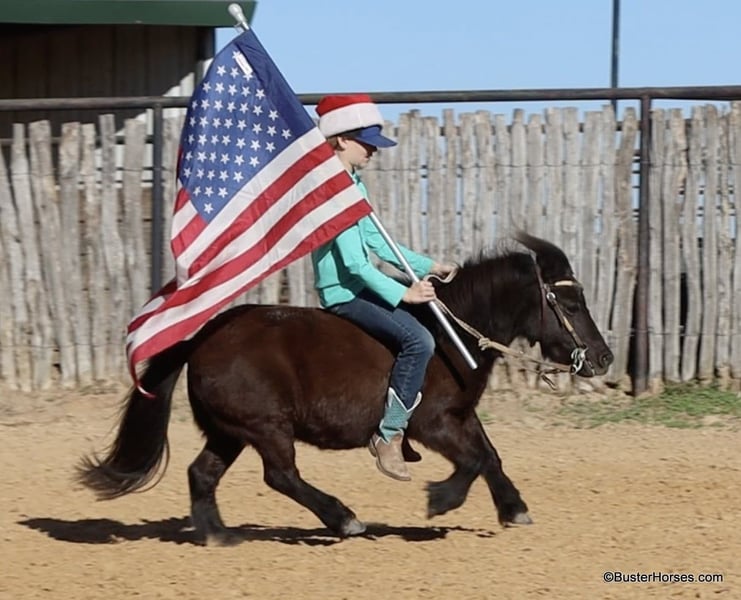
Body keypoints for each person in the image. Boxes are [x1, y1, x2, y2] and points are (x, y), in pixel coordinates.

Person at [311, 94, 456, 481]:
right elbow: (355, 265)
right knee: (419, 342)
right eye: (367, 142)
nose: (373, 150)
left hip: (360, 285)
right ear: (342, 139)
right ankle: (388, 435)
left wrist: (428, 266)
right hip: (344, 293)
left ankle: (404, 415)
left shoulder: (352, 183)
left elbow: (378, 240)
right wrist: (403, 293)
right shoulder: (334, 190)